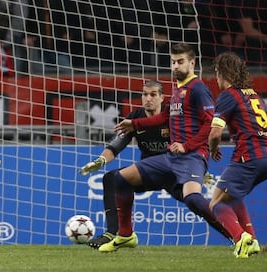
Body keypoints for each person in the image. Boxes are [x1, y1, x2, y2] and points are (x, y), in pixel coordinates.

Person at [98, 43, 229, 252]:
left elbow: (209, 123)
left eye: (180, 62)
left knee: (194, 200)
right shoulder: (177, 88)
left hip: (190, 158)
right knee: (119, 178)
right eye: (173, 62)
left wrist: (187, 146)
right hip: (168, 161)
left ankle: (238, 236)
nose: (175, 66)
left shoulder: (198, 88)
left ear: (192, 63)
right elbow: (165, 117)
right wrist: (135, 124)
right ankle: (124, 234)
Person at [79, 80, 172, 248]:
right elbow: (116, 145)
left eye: (153, 94)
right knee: (111, 178)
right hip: (148, 173)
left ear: (162, 98)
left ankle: (233, 234)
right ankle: (112, 234)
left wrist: (195, 168)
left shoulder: (172, 118)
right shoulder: (134, 118)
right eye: (145, 94)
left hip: (172, 172)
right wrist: (100, 160)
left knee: (194, 201)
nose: (148, 98)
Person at [208, 52, 267, 258]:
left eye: (216, 73)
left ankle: (241, 239)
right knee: (232, 196)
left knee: (216, 204)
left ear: (223, 73)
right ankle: (252, 240)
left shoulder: (227, 96)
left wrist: (213, 149)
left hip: (250, 156)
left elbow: (214, 133)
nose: (216, 78)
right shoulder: (255, 95)